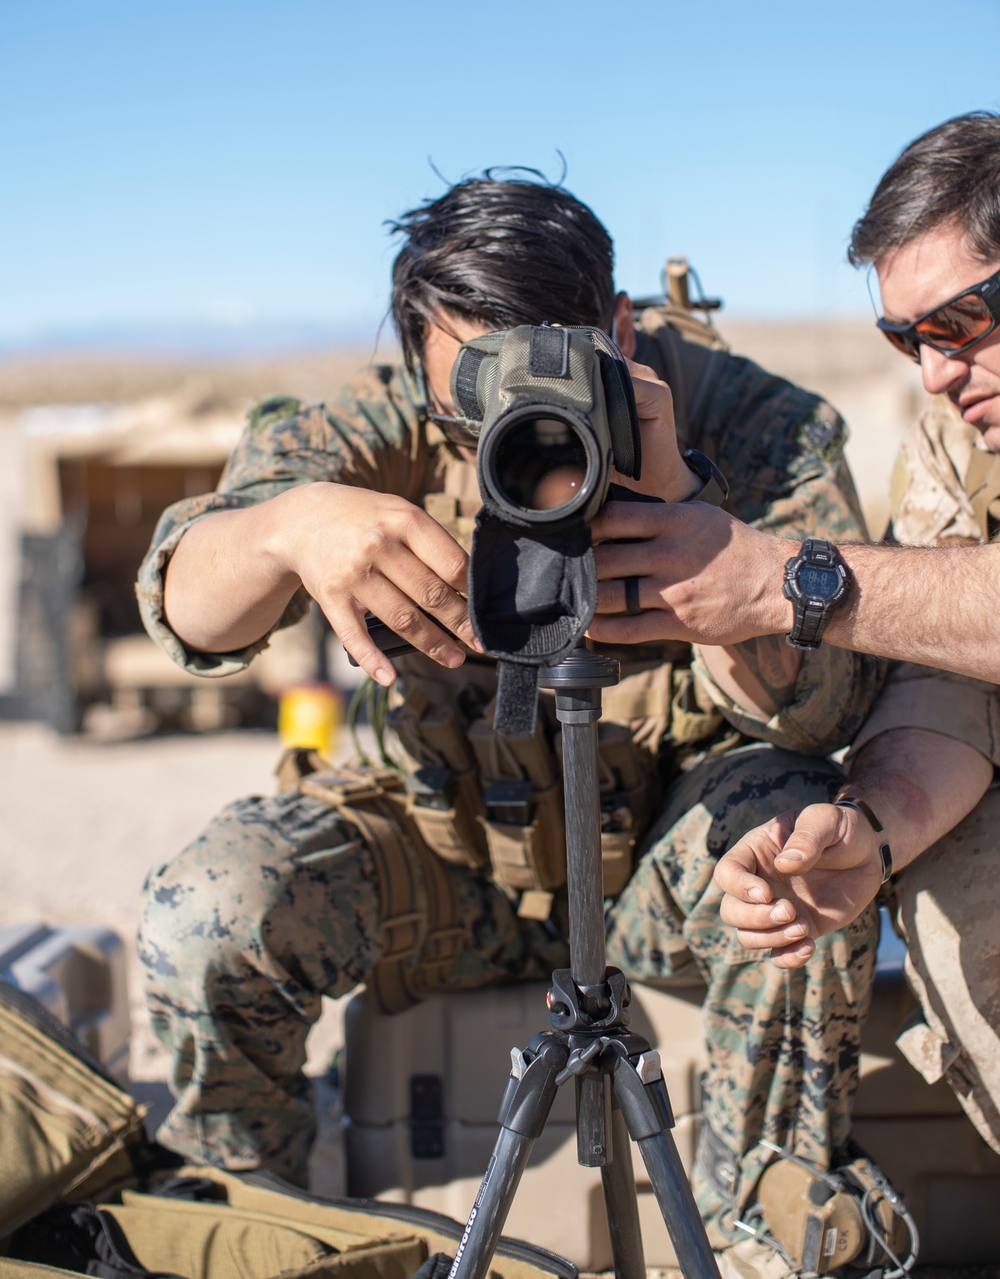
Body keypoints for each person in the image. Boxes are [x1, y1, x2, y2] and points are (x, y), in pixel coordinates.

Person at [134, 172, 984, 1274]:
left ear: (620, 329)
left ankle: (762, 1232)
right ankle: (259, 1236)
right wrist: (289, 529)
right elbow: (187, 616)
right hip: (438, 858)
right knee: (212, 911)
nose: (515, 423)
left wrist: (703, 534)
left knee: (796, 850)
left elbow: (825, 710)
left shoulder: (755, 424)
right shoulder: (376, 427)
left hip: (662, 866)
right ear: (417, 372)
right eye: (469, 396)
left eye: (551, 375)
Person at [588, 112, 1000, 1238]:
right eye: (903, 338)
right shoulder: (960, 446)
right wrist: (870, 829)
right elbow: (945, 681)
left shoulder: (769, 427)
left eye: (961, 321)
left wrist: (787, 583)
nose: (932, 372)